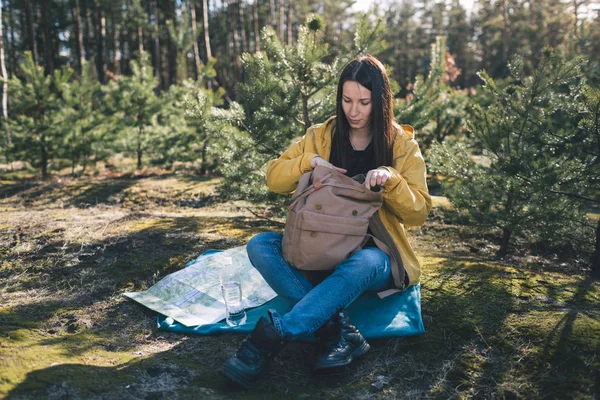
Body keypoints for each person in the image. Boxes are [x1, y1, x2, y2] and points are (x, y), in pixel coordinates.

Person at [219, 55, 432, 388]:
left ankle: (274, 336)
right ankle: (337, 330)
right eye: (347, 100)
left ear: (381, 101)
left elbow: (418, 213)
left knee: (366, 261)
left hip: (374, 255)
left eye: (364, 102)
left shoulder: (401, 144)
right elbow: (273, 179)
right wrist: (309, 161)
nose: (354, 110)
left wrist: (391, 179)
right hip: (318, 247)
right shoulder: (321, 134)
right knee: (260, 245)